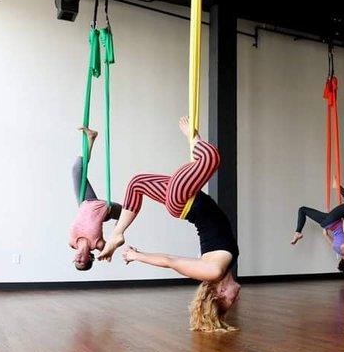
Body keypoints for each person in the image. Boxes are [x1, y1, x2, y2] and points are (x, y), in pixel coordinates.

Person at [98, 117, 240, 332]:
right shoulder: (224, 267)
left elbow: (170, 261)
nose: (235, 302)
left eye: (229, 303)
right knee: (138, 183)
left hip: (184, 201)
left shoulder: (213, 271)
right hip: (186, 198)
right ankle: (117, 233)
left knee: (210, 157)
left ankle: (193, 139)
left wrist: (137, 256)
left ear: (220, 294)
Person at [69, 127, 122, 271]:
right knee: (125, 212)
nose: (78, 259)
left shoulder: (71, 242)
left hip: (86, 203)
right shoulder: (97, 244)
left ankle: (91, 138)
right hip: (106, 209)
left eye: (76, 261)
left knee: (76, 170)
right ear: (90, 258)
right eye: (82, 261)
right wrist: (107, 253)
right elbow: (109, 248)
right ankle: (120, 220)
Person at [291, 182, 344, 273]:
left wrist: (343, 219)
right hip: (325, 223)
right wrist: (326, 222)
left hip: (333, 219)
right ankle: (297, 233)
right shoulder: (337, 251)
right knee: (302, 210)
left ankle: (337, 187)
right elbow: (326, 235)